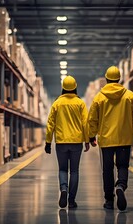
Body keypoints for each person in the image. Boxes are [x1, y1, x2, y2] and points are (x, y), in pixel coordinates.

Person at [88, 66, 133, 211]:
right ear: (119, 79)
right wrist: (130, 132)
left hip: (106, 140)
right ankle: (121, 186)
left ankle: (109, 201)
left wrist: (92, 136)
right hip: (124, 139)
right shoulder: (130, 96)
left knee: (107, 170)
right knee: (123, 166)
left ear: (106, 79)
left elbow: (92, 119)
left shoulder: (99, 97)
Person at [45, 75, 90, 209]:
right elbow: (85, 123)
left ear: (63, 88)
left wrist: (48, 142)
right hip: (76, 142)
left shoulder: (57, 103)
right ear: (75, 87)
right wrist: (87, 140)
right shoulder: (80, 103)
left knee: (63, 169)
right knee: (74, 171)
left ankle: (63, 189)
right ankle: (71, 200)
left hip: (61, 142)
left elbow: (50, 124)